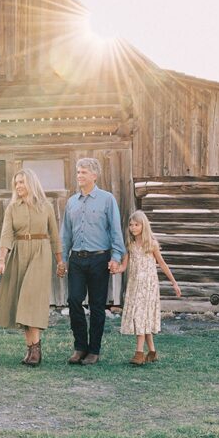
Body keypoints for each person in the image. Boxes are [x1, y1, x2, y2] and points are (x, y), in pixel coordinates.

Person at [0, 169, 64, 366]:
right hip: (19, 253)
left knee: (32, 299)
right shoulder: (12, 208)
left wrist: (60, 262)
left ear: (31, 183)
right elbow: (6, 235)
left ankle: (36, 349)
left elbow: (55, 236)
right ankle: (31, 349)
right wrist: (1, 260)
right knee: (22, 302)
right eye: (16, 183)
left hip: (41, 252)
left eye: (22, 182)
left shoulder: (46, 206)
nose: (18, 186)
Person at [58, 157, 126, 366]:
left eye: (84, 172)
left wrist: (116, 257)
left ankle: (93, 350)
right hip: (77, 258)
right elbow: (65, 234)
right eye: (78, 172)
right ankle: (80, 347)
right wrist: (62, 259)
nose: (80, 176)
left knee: (97, 306)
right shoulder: (71, 202)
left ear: (94, 175)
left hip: (99, 259)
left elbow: (115, 230)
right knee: (74, 300)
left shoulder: (107, 199)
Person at [118, 210, 181, 365]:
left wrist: (174, 282)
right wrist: (114, 268)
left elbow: (162, 264)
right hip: (134, 286)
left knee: (141, 316)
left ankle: (139, 353)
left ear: (143, 226)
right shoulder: (130, 245)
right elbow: (123, 267)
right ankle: (152, 352)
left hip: (148, 287)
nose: (133, 228)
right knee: (142, 318)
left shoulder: (151, 244)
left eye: (136, 225)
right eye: (131, 225)